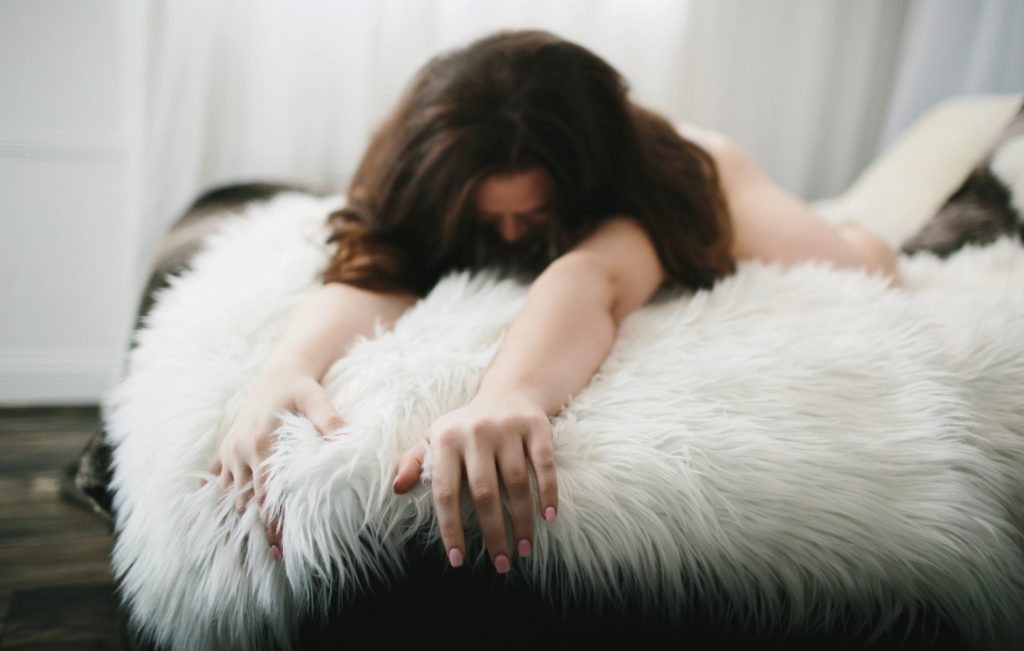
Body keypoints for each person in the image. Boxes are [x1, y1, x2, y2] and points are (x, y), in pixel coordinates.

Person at [199, 29, 902, 572]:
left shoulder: (644, 189)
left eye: (533, 217)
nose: (510, 237)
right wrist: (286, 366)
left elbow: (590, 276)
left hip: (702, 172)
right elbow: (374, 270)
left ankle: (863, 225)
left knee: (856, 262)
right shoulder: (418, 175)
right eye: (488, 219)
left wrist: (506, 393)